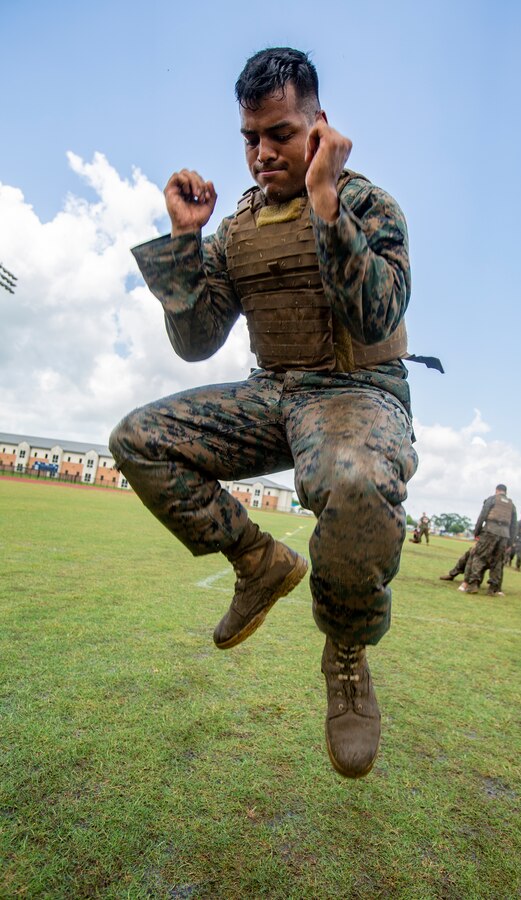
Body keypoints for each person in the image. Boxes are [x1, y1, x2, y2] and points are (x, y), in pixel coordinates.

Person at [109, 47, 418, 779]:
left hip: (353, 392)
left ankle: (345, 648)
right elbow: (196, 342)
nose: (261, 153)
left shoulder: (369, 204)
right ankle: (259, 561)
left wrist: (326, 204)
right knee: (139, 439)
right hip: (272, 391)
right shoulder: (238, 227)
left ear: (320, 124)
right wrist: (186, 241)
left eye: (279, 133)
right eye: (250, 137)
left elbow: (376, 313)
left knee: (353, 482)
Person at [462, 484, 517, 596]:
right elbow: (514, 526)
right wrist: (510, 542)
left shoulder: (492, 499)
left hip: (490, 531)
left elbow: (482, 516)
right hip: (504, 535)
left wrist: (477, 532)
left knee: (479, 557)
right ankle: (493, 588)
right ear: (505, 492)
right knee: (497, 562)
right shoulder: (512, 505)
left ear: (497, 490)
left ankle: (473, 584)